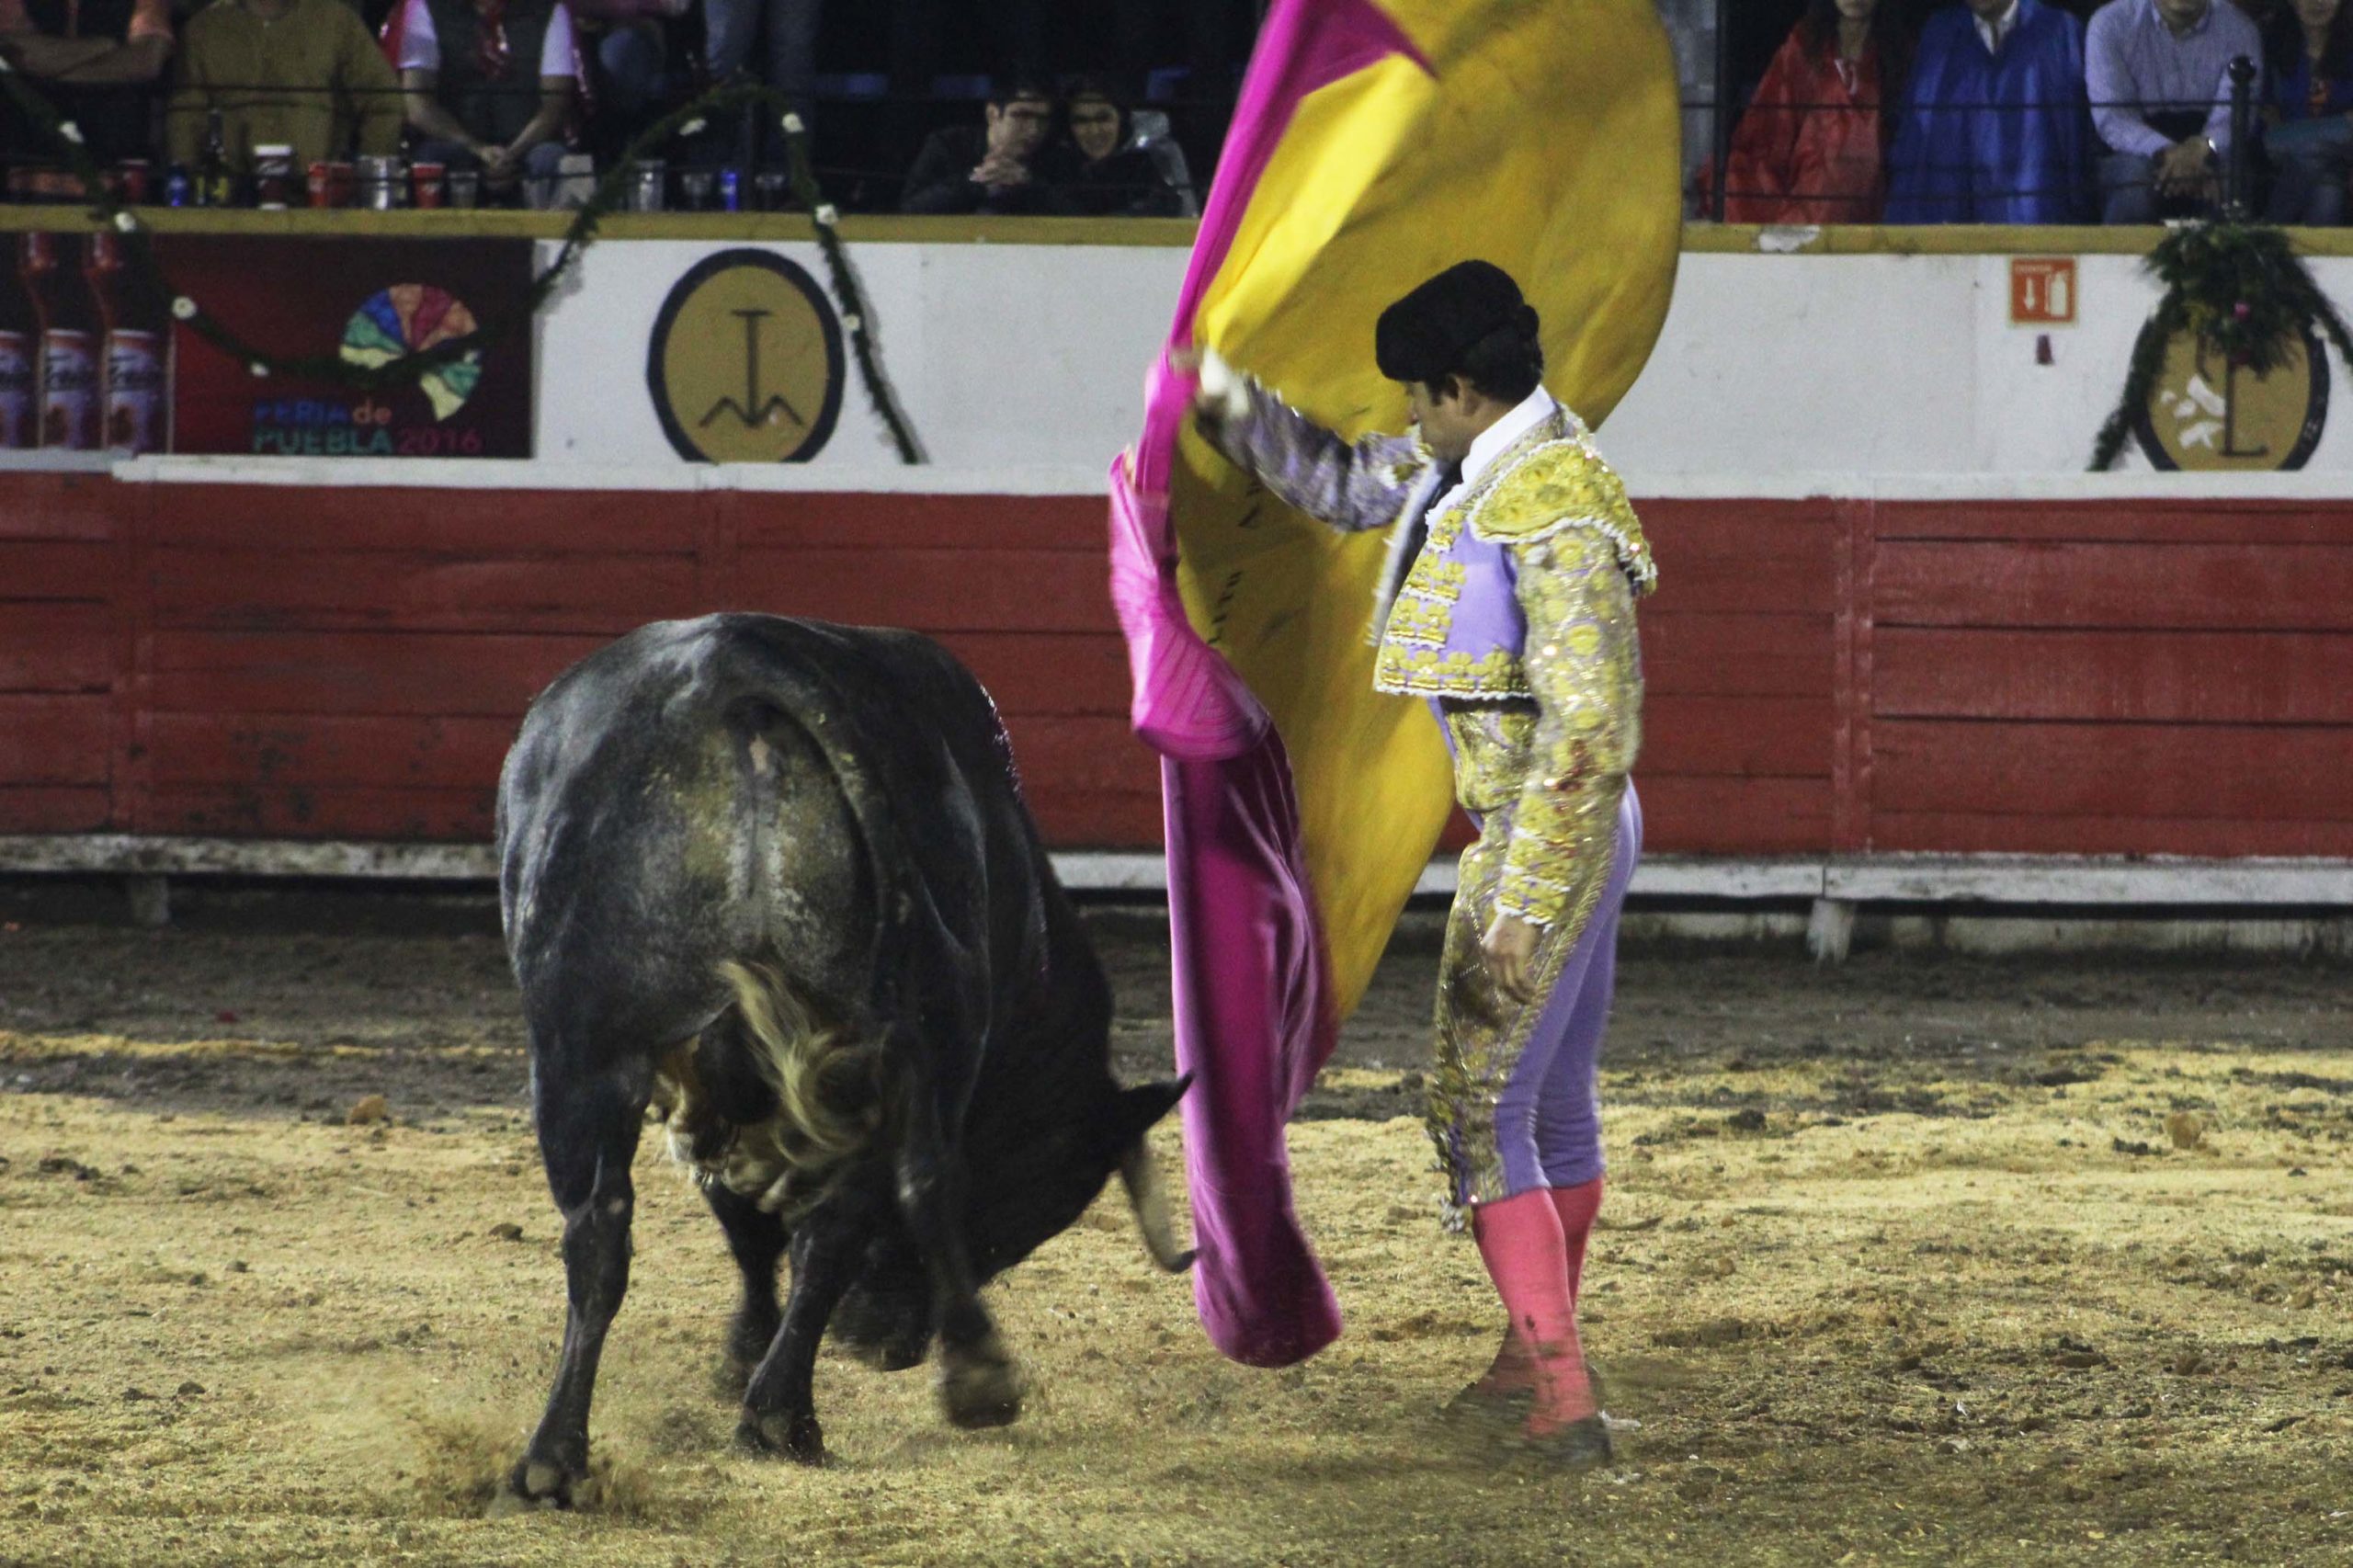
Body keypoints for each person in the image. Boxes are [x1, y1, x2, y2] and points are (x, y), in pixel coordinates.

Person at [1181, 261, 1652, 1467]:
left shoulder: (1546, 507)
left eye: (1415, 398)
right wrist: (1225, 397)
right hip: (1567, 823)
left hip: (1547, 821)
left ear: (1461, 390)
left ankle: (1563, 1398)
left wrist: (1522, 900)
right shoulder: (1486, 460)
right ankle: (1529, 1361)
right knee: (1545, 1102)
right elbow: (1344, 486)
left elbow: (1589, 730)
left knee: (1476, 1106)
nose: (1402, 419)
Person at [1884, 0, 2096, 222]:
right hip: (1955, 229)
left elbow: (2079, 143)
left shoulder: (2061, 32)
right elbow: (1915, 144)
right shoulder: (1939, 35)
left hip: (2037, 226)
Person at [1722, 0, 1909, 222]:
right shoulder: (1804, 47)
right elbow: (1766, 135)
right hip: (1807, 217)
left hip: (1874, 224)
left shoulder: (1898, 54)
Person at [166, 0, 404, 172]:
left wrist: (362, 179)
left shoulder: (337, 23)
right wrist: (190, 186)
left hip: (319, 203)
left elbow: (384, 104)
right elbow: (186, 121)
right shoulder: (204, 30)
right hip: (229, 199)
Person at [2087, 0, 2264, 222]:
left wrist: (2200, 150)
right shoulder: (2109, 24)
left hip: (2209, 149)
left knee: (2230, 181)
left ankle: (2227, 256)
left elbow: (2234, 116)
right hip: (2133, 150)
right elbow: (2113, 118)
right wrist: (2169, 152)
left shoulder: (2241, 29)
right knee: (2134, 180)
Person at [387, 0, 578, 202]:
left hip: (526, 147)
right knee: (432, 158)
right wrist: (478, 149)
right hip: (458, 144)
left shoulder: (548, 9)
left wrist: (510, 155)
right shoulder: (425, 7)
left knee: (552, 159)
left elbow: (555, 106)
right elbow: (418, 105)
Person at [0, 0, 174, 165]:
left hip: (116, 150)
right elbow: (17, 52)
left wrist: (50, 70)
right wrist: (103, 45)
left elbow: (145, 62)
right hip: (29, 149)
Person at [898, 78, 1071, 215]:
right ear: (992, 114)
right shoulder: (948, 144)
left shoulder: (1054, 156)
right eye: (1022, 116)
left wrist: (1029, 185)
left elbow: (1076, 217)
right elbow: (909, 209)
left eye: (1043, 119)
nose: (1034, 130)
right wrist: (978, 179)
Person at [2263, 0, 2353, 220]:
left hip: (2339, 157)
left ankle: (2268, 232)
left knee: (2328, 193)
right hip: (2282, 139)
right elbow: (2264, 107)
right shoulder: (2271, 40)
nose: (2318, 3)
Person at [1059, 77, 1186, 217]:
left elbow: (1168, 206)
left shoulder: (1142, 166)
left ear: (1121, 119)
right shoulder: (1057, 172)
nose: (1094, 131)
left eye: (1103, 118)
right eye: (1081, 121)